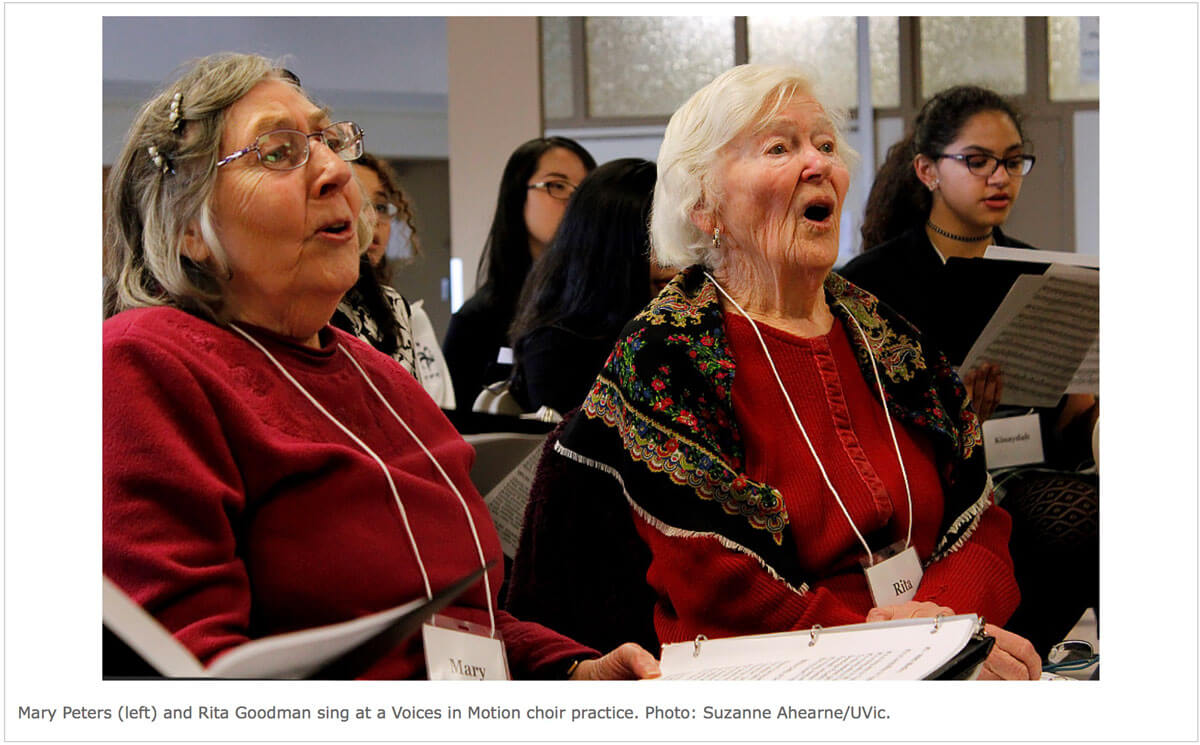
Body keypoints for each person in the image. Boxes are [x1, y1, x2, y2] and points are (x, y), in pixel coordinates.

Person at [102, 52, 657, 681]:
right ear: (186, 226)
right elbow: (190, 673)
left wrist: (573, 670)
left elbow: (461, 622)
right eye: (279, 152)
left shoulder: (380, 374)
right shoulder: (145, 362)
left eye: (329, 140)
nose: (338, 171)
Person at [506, 65, 1040, 680]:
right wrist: (912, 652)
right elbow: (722, 586)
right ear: (704, 205)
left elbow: (981, 521)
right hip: (774, 687)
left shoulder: (889, 337)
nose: (818, 164)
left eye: (826, 145)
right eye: (780, 147)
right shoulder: (669, 352)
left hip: (939, 654)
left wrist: (951, 634)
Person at [840, 85, 1098, 654]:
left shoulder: (1041, 269)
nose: (999, 177)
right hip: (930, 484)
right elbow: (851, 423)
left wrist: (1092, 406)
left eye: (1011, 161)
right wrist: (956, 416)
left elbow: (1068, 413)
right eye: (976, 161)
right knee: (1084, 516)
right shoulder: (870, 282)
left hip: (1032, 461)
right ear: (928, 171)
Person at [441, 137, 595, 409]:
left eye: (583, 192)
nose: (573, 202)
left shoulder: (599, 306)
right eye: (556, 186)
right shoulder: (476, 320)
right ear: (516, 196)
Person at [507, 157, 660, 416]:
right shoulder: (556, 350)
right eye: (655, 239)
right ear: (612, 247)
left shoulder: (683, 322)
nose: (677, 258)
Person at [330, 152, 455, 408]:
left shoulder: (401, 311)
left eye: (380, 206)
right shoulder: (314, 308)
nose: (373, 221)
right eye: (356, 201)